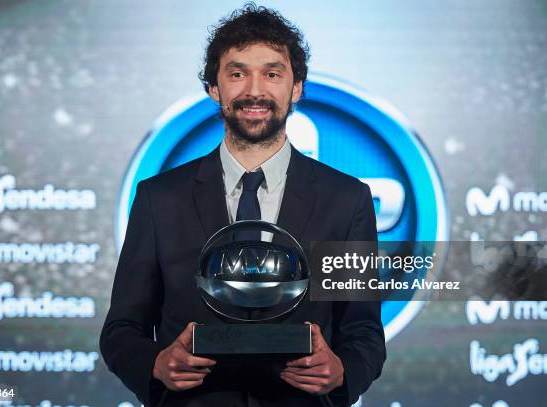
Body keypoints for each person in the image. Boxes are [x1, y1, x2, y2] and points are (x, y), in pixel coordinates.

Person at [100, 4, 385, 406]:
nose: (254, 91)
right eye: (237, 74)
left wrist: (342, 372)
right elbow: (122, 330)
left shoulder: (346, 200)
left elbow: (363, 333)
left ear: (296, 87)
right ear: (214, 88)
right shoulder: (158, 199)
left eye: (272, 73)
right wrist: (155, 364)